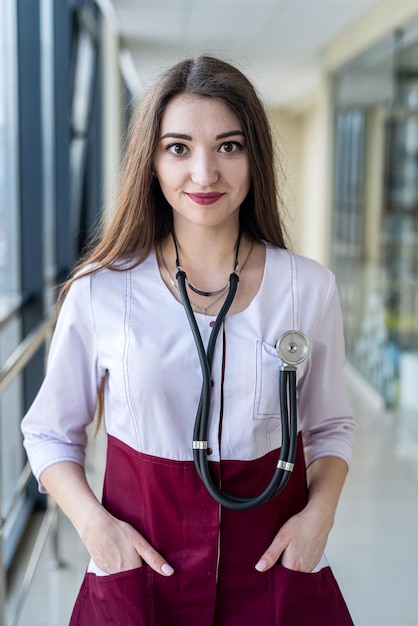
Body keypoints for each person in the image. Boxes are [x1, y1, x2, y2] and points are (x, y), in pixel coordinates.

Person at [21, 55, 357, 626]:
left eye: (228, 146)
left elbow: (330, 428)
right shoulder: (101, 292)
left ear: (255, 159)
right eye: (178, 148)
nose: (204, 174)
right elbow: (50, 433)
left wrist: (318, 518)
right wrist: (97, 530)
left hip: (274, 575)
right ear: (150, 162)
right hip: (141, 580)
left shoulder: (308, 288)